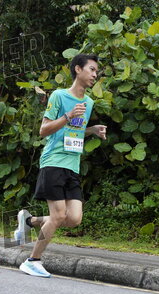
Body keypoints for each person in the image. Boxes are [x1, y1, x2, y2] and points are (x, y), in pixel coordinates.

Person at [14, 53, 107, 277]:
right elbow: (44, 130)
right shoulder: (59, 96)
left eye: (96, 71)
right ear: (78, 69)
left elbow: (74, 131)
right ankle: (32, 260)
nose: (95, 74)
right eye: (92, 69)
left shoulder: (89, 103)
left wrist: (92, 130)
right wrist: (68, 115)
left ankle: (29, 221)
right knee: (57, 215)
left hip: (72, 165)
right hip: (54, 161)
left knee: (73, 218)